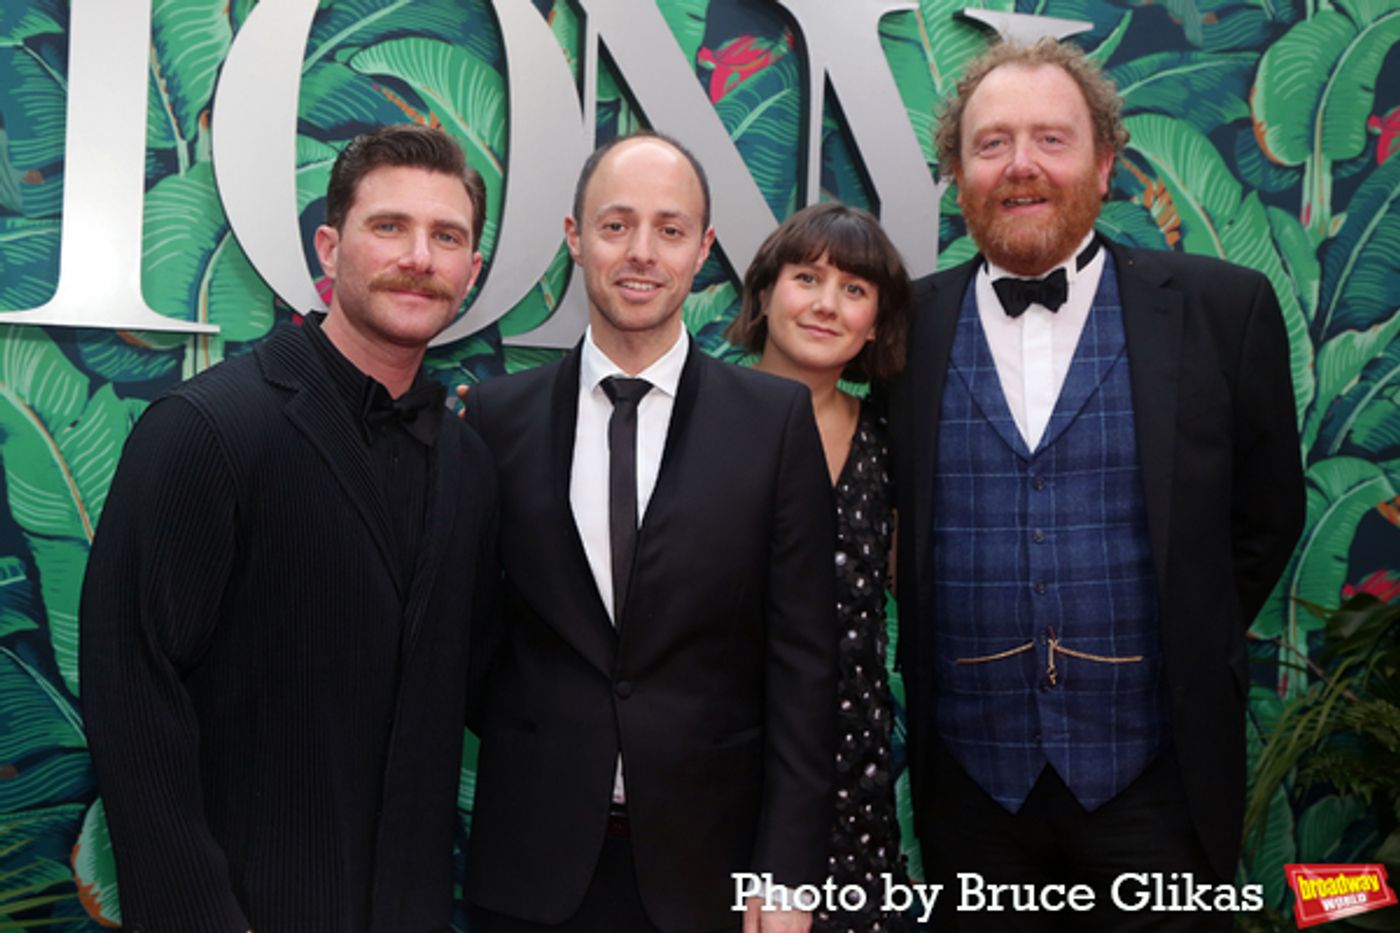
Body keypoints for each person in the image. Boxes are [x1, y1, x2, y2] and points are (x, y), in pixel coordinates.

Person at [888, 39, 1306, 931]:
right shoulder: (900, 330)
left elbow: (1264, 518)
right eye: (991, 143)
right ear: (957, 173)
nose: (1021, 165)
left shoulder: (1223, 310)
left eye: (1052, 138)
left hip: (1158, 783)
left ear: (1106, 163)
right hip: (971, 789)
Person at [79, 124, 498, 933]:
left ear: (471, 272)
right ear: (329, 248)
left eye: (446, 237)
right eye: (390, 227)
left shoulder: (470, 466)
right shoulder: (206, 428)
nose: (420, 255)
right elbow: (133, 693)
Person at [463, 131, 838, 933]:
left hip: (713, 870)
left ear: (702, 249)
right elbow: (469, 644)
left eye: (670, 230)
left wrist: (788, 877)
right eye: (615, 225)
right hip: (531, 867)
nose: (642, 253)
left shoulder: (773, 424)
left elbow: (807, 668)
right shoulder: (497, 420)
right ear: (574, 237)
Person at [725, 202, 913, 933]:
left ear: (876, 322)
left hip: (853, 781)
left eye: (855, 289)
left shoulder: (890, 445)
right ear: (766, 292)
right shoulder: (694, 419)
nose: (827, 304)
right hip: (721, 777)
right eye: (807, 278)